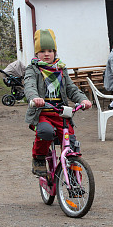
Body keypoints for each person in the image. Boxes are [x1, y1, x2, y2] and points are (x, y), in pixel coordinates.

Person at [24, 29, 92, 176]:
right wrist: (35, 98)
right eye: (42, 51)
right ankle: (39, 158)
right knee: (45, 132)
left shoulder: (61, 69)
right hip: (42, 113)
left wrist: (83, 99)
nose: (46, 54)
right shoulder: (33, 69)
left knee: (71, 144)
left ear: (55, 52)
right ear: (37, 53)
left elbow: (71, 88)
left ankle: (74, 177)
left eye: (50, 50)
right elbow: (29, 85)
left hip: (61, 114)